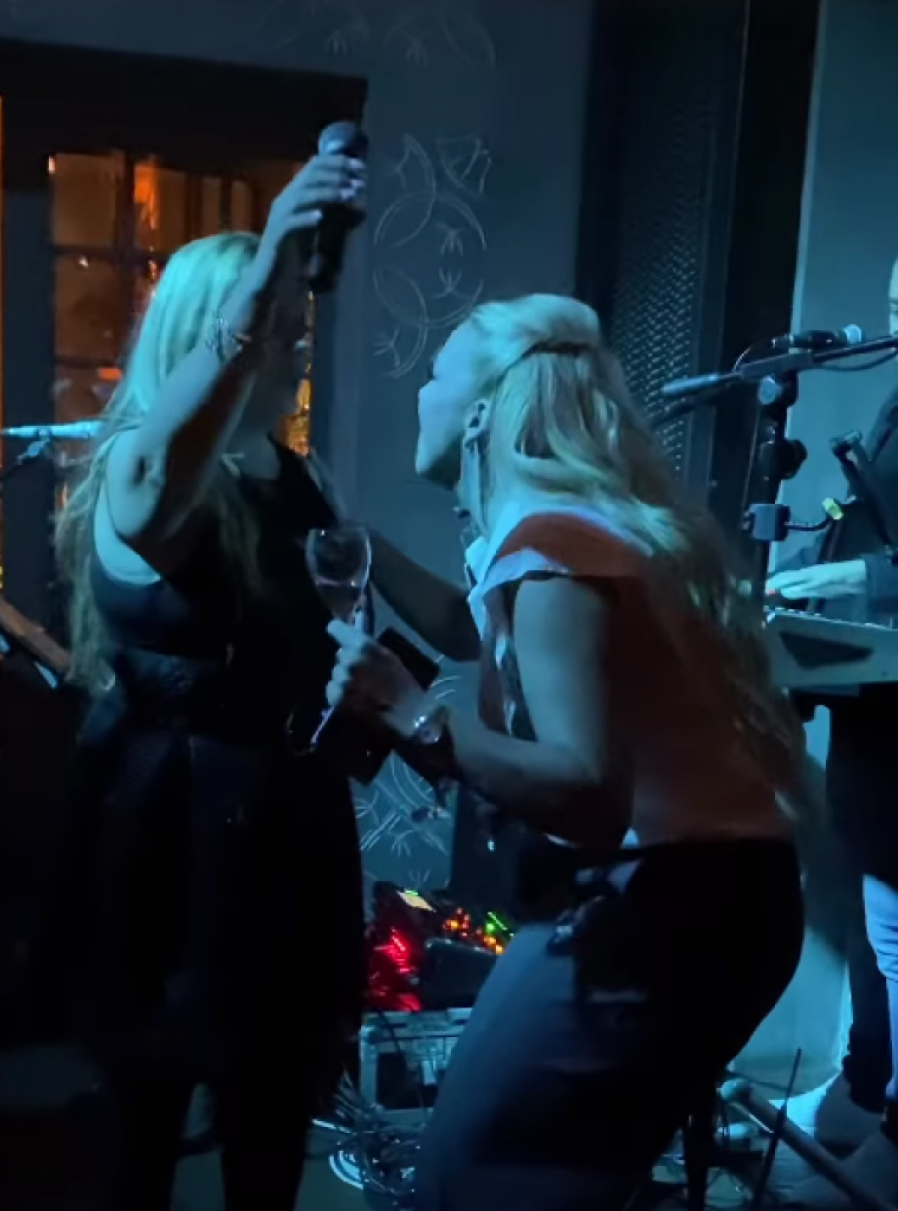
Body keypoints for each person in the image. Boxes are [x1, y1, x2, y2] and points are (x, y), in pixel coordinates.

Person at [324, 293, 808, 1211]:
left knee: (479, 1173)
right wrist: (361, 547)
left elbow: (587, 791)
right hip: (720, 897)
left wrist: (414, 716)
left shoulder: (551, 550)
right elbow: (472, 632)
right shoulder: (564, 532)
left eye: (434, 374)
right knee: (536, 1168)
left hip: (672, 906)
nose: (418, 392)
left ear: (479, 414)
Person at [52, 151, 368, 1211]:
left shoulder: (293, 473)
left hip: (284, 823)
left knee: (271, 1116)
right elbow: (157, 474)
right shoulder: (139, 472)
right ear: (214, 333)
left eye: (293, 320)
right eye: (274, 322)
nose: (295, 340)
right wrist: (273, 249)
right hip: (171, 832)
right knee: (144, 1120)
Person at [766, 254, 898, 1207]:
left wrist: (863, 578)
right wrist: (821, 559)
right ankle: (864, 1087)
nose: (893, 318)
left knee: (894, 923)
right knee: (866, 908)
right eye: (891, 298)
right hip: (874, 696)